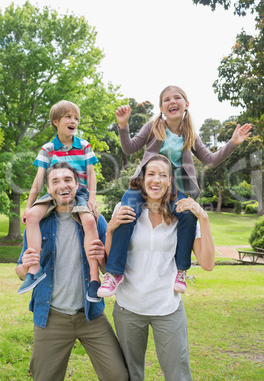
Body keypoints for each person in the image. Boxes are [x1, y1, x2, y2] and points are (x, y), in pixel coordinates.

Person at [97, 85, 251, 297]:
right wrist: (123, 126)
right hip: (145, 184)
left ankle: (181, 271)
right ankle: (114, 273)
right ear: (161, 107)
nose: (172, 102)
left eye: (177, 98)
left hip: (174, 190)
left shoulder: (190, 134)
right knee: (126, 210)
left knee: (188, 214)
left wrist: (233, 143)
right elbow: (129, 148)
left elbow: (210, 159)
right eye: (166, 99)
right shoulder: (153, 127)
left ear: (186, 104)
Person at [104, 155, 215, 380]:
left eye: (163, 175)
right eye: (151, 174)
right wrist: (109, 230)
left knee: (178, 375)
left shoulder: (182, 215)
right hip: (129, 307)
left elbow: (208, 263)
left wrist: (203, 217)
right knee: (130, 375)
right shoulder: (126, 207)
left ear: (171, 181)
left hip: (168, 308)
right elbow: (107, 264)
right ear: (143, 178)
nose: (157, 180)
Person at [16, 162, 129, 381]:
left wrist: (101, 258)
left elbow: (108, 268)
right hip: (51, 317)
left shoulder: (95, 220)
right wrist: (25, 266)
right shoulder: (38, 223)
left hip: (90, 315)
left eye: (68, 180)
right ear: (48, 189)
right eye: (55, 181)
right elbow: (21, 270)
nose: (62, 185)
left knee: (118, 375)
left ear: (77, 185)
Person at [19, 100, 101, 303]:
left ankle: (94, 279)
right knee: (31, 217)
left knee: (90, 221)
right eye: (68, 117)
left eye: (76, 118)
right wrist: (29, 207)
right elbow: (38, 180)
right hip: (54, 194)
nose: (73, 121)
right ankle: (34, 269)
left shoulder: (84, 145)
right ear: (56, 121)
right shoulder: (48, 148)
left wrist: (92, 198)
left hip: (78, 193)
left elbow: (91, 174)